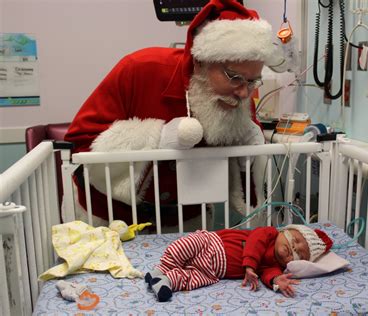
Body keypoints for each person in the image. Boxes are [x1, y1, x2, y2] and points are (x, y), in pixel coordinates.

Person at [64, 0, 284, 228]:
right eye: (234, 77)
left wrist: (250, 156)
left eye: (253, 81)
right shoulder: (139, 69)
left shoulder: (239, 96)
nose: (243, 92)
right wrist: (156, 138)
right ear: (200, 62)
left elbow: (249, 186)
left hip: (183, 217)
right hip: (108, 214)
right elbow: (79, 141)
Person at [144, 224, 333, 302]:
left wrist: (277, 280)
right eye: (296, 241)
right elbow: (255, 241)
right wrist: (250, 266)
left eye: (298, 254)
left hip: (213, 272)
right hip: (209, 244)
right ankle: (161, 268)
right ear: (286, 231)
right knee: (187, 244)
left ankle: (166, 281)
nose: (293, 248)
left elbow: (268, 274)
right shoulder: (269, 234)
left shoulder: (274, 265)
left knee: (194, 279)